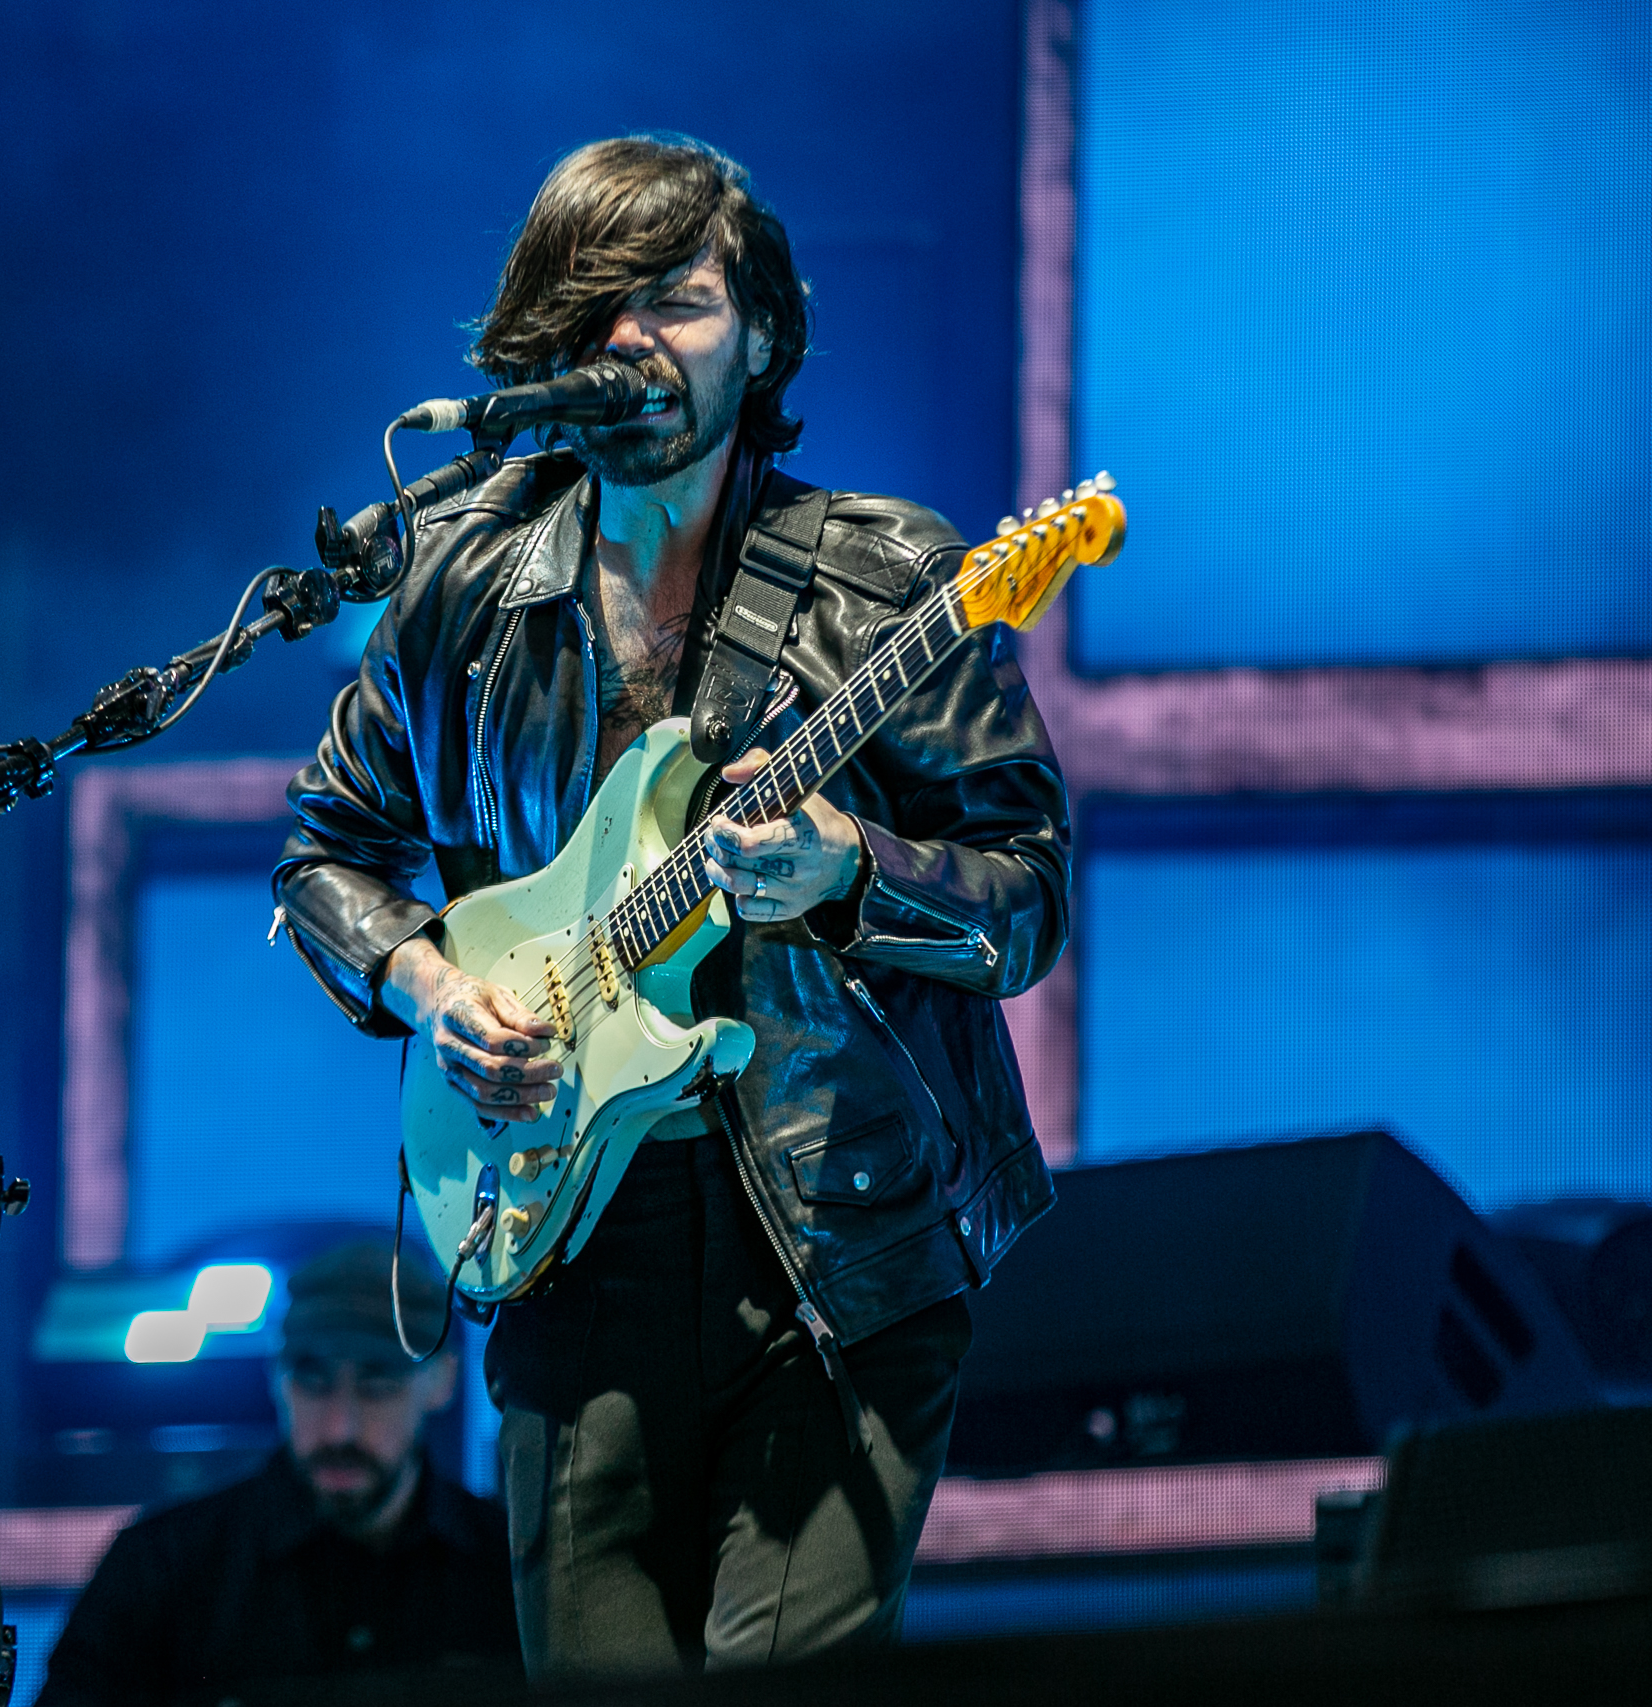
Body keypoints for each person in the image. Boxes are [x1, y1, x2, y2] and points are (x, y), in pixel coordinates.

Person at [271, 135, 1071, 1676]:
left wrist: (849, 869)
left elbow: (1026, 899)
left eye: (678, 302)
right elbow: (325, 853)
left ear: (761, 334)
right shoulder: (460, 584)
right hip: (569, 1237)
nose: (630, 340)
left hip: (835, 1246)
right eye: (594, 310)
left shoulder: (887, 575)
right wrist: (440, 990)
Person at [32, 1242, 519, 1706]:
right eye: (313, 1381)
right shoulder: (161, 1570)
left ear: (442, 1380)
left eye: (377, 1384)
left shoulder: (510, 1572)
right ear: (276, 1378)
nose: (341, 1428)